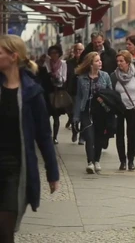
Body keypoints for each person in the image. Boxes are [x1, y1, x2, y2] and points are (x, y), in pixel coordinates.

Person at [0, 34, 59, 242]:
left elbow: (44, 135)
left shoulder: (32, 92)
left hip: (17, 169)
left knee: (5, 227)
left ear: (13, 56)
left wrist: (53, 172)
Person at [73, 52, 113, 174]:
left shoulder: (105, 76)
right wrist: (76, 116)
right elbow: (79, 97)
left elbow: (111, 94)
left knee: (99, 138)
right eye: (97, 61)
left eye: (100, 60)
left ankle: (97, 161)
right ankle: (90, 162)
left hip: (101, 112)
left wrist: (106, 102)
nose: (100, 62)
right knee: (89, 137)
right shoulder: (81, 79)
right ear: (90, 64)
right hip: (87, 111)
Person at [110, 50, 135, 171]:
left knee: (132, 135)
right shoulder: (113, 76)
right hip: (119, 109)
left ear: (128, 62)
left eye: (122, 61)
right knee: (120, 135)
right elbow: (111, 94)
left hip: (133, 108)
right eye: (118, 61)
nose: (119, 63)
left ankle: (131, 160)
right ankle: (122, 161)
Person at [39, 45, 68, 144]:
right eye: (51, 53)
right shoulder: (47, 63)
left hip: (57, 90)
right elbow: (40, 72)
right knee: (46, 115)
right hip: (47, 91)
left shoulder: (63, 64)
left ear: (59, 54)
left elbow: (64, 78)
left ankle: (55, 136)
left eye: (56, 53)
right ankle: (46, 134)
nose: (54, 55)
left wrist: (57, 77)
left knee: (56, 116)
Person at [66, 43, 85, 144]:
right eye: (77, 50)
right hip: (72, 91)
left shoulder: (86, 62)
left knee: (83, 115)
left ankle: (82, 136)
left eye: (80, 50)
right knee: (73, 114)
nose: (78, 52)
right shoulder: (69, 63)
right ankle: (74, 131)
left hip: (83, 92)